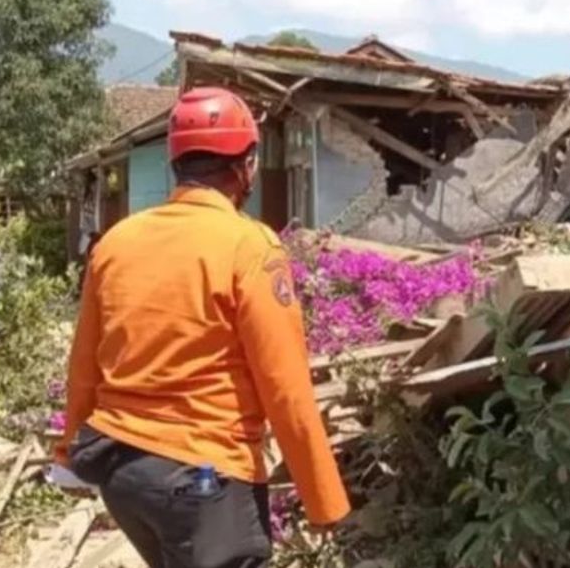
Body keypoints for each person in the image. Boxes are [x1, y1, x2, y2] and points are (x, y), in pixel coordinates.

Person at [54, 87, 349, 568]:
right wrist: (324, 501)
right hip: (204, 480)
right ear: (246, 166)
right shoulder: (250, 247)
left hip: (122, 474)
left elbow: (84, 362)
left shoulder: (117, 242)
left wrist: (68, 454)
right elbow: (285, 385)